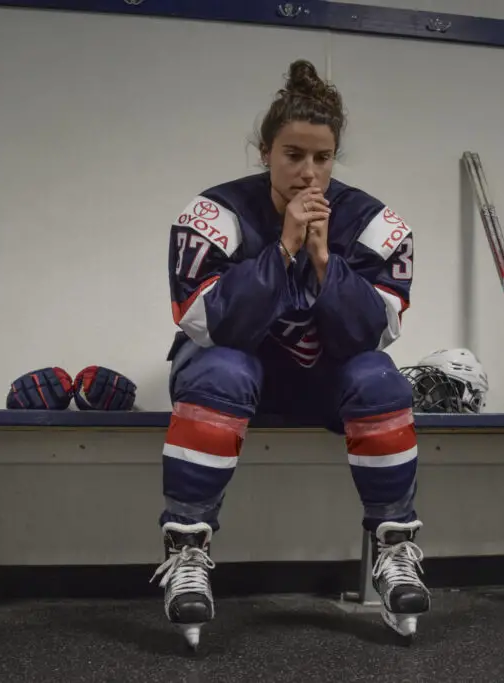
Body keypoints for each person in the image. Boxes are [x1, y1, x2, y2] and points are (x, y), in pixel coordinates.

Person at [150, 58, 428, 649]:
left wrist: (327, 261)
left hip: (321, 380)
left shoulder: (376, 223)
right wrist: (284, 247)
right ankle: (188, 550)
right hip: (231, 373)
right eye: (292, 155)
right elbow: (210, 324)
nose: (308, 172)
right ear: (264, 151)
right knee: (224, 366)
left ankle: (395, 546)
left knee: (380, 379)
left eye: (321, 158)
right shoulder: (214, 214)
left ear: (334, 158)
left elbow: (368, 336)